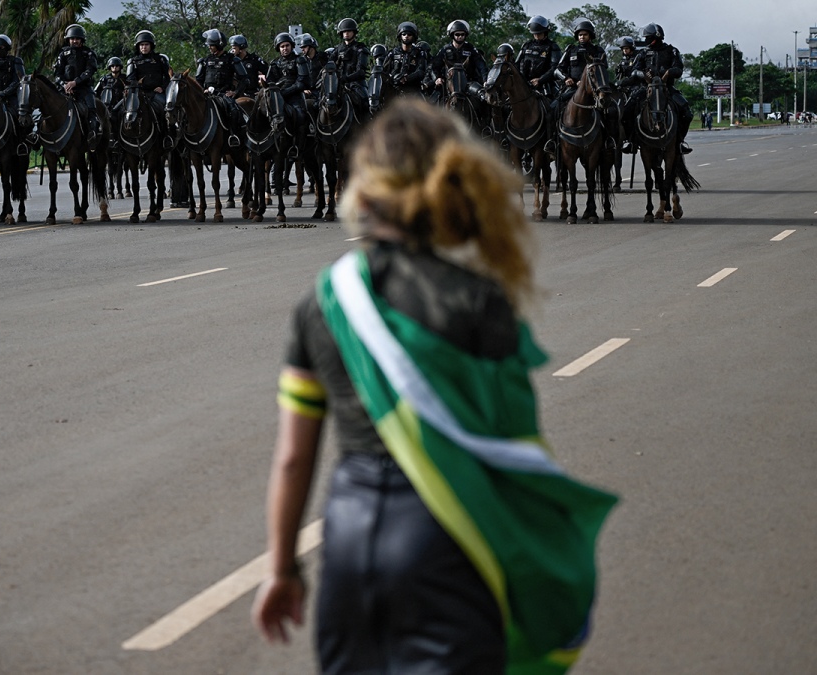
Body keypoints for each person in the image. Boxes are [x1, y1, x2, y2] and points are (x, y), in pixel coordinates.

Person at [252, 97, 618, 674]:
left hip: (348, 535)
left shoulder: (323, 301)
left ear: (365, 190)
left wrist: (281, 569)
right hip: (447, 535)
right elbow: (513, 451)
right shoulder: (479, 300)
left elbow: (293, 459)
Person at [555, 18, 617, 149]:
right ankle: (553, 141)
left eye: (585, 34)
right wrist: (566, 78)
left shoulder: (598, 51)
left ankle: (609, 140)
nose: (582, 37)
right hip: (572, 89)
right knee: (553, 108)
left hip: (594, 91)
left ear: (590, 36)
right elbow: (558, 69)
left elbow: (602, 68)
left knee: (610, 111)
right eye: (580, 35)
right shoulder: (571, 50)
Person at [632, 23, 692, 154]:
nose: (646, 40)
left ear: (657, 37)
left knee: (687, 113)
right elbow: (634, 71)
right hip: (646, 88)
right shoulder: (643, 52)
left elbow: (679, 69)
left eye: (648, 37)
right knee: (627, 110)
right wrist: (643, 74)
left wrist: (669, 72)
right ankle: (632, 141)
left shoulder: (672, 51)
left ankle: (679, 141)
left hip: (666, 88)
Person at [195, 28, 248, 145]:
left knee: (234, 110)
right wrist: (202, 89)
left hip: (224, 95)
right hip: (207, 95)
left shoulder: (232, 60)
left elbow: (244, 79)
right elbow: (198, 79)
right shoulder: (205, 61)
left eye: (211, 45)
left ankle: (234, 135)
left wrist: (235, 93)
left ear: (218, 45)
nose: (209, 47)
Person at [53, 24, 100, 147]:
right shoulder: (62, 54)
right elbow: (57, 74)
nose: (74, 41)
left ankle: (92, 135)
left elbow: (90, 71)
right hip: (65, 89)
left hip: (84, 89)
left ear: (82, 39)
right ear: (68, 39)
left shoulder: (88, 53)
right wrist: (65, 85)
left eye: (77, 39)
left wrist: (75, 82)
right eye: (72, 38)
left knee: (91, 110)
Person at [260, 32, 311, 140]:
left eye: (287, 45)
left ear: (292, 46)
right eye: (282, 46)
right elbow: (270, 81)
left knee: (301, 115)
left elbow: (302, 82)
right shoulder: (274, 63)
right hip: (277, 97)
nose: (285, 48)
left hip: (295, 96)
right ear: (278, 48)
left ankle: (299, 145)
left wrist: (285, 92)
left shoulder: (300, 60)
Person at [432, 20, 488, 101]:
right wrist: (437, 78)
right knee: (432, 101)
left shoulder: (471, 49)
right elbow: (434, 66)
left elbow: (481, 65)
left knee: (483, 97)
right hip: (448, 82)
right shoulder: (445, 49)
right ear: (452, 35)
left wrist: (485, 80)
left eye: (462, 34)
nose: (460, 36)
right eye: (457, 34)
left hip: (468, 82)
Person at [126, 30, 172, 120]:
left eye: (146, 44)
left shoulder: (160, 59)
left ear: (151, 45)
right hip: (139, 94)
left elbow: (168, 77)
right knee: (119, 110)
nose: (144, 47)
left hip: (157, 93)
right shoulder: (133, 61)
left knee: (168, 109)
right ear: (138, 46)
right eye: (141, 45)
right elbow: (130, 80)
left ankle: (170, 131)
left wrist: (162, 87)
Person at [515, 15, 561, 102]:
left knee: (555, 105)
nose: (536, 36)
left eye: (539, 33)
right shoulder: (526, 45)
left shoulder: (552, 47)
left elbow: (555, 67)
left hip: (545, 85)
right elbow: (517, 64)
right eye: (534, 33)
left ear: (545, 33)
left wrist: (540, 80)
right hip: (525, 83)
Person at [331, 18, 369, 117]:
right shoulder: (338, 49)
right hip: (339, 84)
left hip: (356, 84)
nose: (346, 33)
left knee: (365, 102)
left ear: (354, 32)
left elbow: (361, 72)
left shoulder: (360, 48)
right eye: (344, 31)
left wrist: (346, 78)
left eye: (349, 31)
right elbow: (329, 64)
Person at [385, 22, 431, 98]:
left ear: (413, 37)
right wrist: (396, 77)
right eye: (404, 34)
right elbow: (385, 71)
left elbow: (421, 71)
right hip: (394, 89)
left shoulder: (420, 53)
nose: (406, 36)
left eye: (409, 34)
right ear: (400, 36)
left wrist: (407, 78)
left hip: (414, 91)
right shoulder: (392, 53)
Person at [614, 36, 642, 153]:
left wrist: (622, 82)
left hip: (636, 87)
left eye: (627, 48)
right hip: (624, 89)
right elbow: (620, 76)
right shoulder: (623, 60)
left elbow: (634, 76)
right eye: (623, 49)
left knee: (628, 112)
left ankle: (632, 140)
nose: (625, 51)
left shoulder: (638, 58)